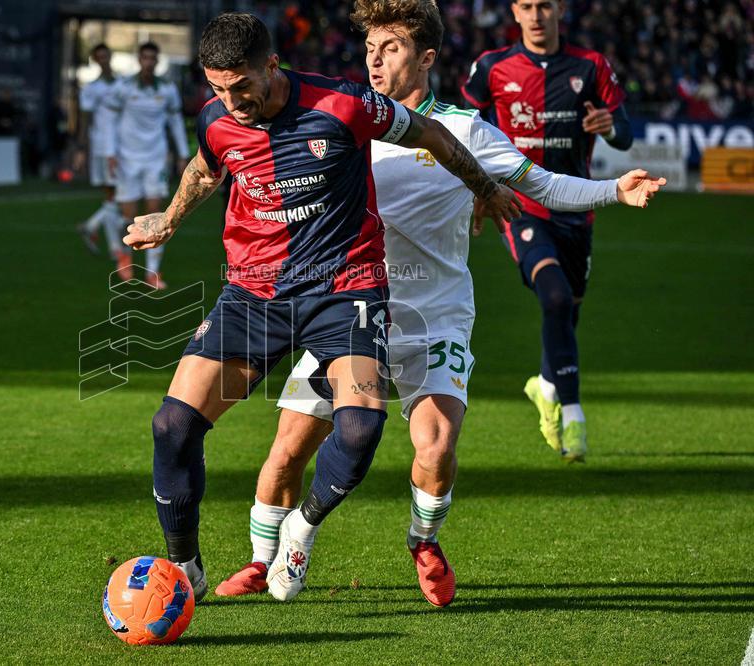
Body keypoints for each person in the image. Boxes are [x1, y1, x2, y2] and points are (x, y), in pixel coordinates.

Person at [212, 0, 664, 606]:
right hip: (349, 315)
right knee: (288, 449)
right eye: (369, 48)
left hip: (435, 316)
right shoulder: (344, 118)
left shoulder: (465, 130)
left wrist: (615, 188)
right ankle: (260, 559)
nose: (374, 60)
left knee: (437, 445)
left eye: (391, 48)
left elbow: (544, 185)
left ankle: (423, 541)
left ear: (426, 58)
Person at [122, 12, 521, 602]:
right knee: (172, 425)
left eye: (242, 85)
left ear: (271, 65)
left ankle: (301, 528)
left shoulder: (343, 104)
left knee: (360, 428)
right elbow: (207, 167)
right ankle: (186, 570)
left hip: (345, 291)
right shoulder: (216, 118)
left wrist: (486, 188)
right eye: (217, 88)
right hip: (255, 293)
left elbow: (432, 135)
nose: (231, 100)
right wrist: (169, 219)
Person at [461, 0, 634, 463]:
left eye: (544, 5)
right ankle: (573, 414)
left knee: (567, 314)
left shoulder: (590, 66)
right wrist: (478, 185)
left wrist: (611, 126)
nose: (536, 15)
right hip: (522, 204)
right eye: (526, 6)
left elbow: (626, 136)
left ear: (559, 9)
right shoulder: (492, 68)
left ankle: (546, 384)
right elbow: (461, 131)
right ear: (514, 12)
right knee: (554, 298)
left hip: (577, 208)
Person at [101, 42, 189, 289]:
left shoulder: (168, 89)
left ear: (157, 60)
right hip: (128, 159)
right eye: (145, 58)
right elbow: (110, 119)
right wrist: (110, 152)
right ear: (139, 60)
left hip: (155, 159)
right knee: (127, 213)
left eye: (152, 58)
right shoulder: (124, 87)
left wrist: (182, 154)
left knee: (155, 214)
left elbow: (175, 121)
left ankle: (152, 272)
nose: (148, 62)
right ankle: (125, 256)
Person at [75, 44, 126, 273]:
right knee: (113, 195)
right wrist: (80, 147)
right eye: (99, 57)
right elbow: (84, 119)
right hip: (103, 147)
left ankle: (91, 226)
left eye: (106, 56)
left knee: (119, 195)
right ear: (95, 60)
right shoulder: (91, 89)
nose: (104, 60)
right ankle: (115, 248)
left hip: (125, 146)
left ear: (110, 57)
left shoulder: (123, 84)